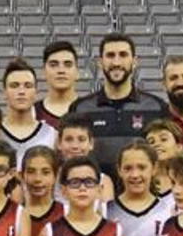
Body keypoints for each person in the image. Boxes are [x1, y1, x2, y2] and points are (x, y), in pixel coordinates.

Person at [71, 33, 168, 172]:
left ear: (134, 62)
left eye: (123, 55)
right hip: (96, 190)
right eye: (110, 55)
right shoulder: (80, 108)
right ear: (100, 62)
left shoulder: (157, 107)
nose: (116, 62)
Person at [0, 59, 57, 165]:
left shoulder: (51, 134)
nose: (21, 91)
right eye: (14, 86)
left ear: (36, 92)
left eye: (28, 86)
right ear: (4, 92)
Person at [37, 40, 81, 125]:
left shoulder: (91, 110)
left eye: (68, 65)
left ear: (77, 72)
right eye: (53, 65)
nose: (61, 70)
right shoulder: (32, 113)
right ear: (43, 72)